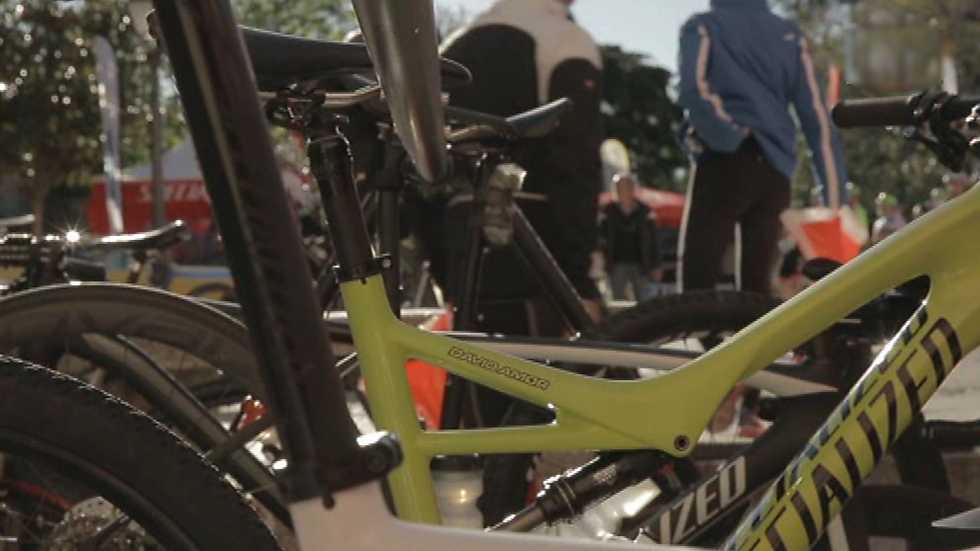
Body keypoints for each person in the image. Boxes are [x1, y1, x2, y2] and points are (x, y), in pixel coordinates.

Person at [435, 0, 605, 526]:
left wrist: (443, 269)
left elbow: (426, 170)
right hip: (533, 250)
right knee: (527, 424)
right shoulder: (563, 39)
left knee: (484, 425)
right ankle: (517, 525)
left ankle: (489, 523)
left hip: (460, 247)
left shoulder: (456, 44)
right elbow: (577, 166)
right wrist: (580, 279)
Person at [675, 0, 848, 296]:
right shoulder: (790, 36)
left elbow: (693, 91)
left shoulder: (703, 26)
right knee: (757, 292)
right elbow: (816, 118)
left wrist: (729, 136)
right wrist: (834, 198)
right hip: (775, 170)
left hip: (724, 161)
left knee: (696, 284)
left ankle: (703, 329)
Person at [599, 173, 662, 301]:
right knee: (618, 301)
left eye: (626, 186)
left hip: (641, 264)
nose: (623, 190)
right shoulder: (608, 211)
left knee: (644, 301)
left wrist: (656, 265)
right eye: (619, 187)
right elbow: (600, 237)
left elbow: (654, 240)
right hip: (616, 264)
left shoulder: (645, 211)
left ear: (633, 188)